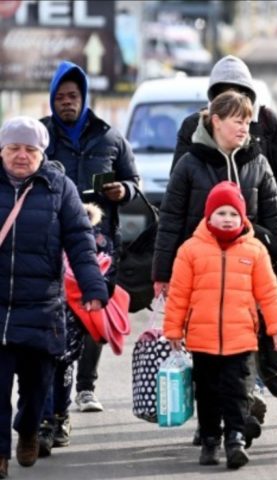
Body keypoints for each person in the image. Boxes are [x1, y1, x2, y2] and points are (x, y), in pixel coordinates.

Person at [152, 90, 277, 447]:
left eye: (247, 120)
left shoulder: (257, 160)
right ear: (216, 121)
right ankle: (212, 426)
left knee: (242, 353)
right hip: (200, 275)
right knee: (208, 360)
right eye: (237, 120)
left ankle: (237, 424)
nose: (245, 127)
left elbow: (275, 217)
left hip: (248, 270)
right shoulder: (190, 163)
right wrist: (162, 273)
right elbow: (170, 219)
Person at [0, 116, 108, 479]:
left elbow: (80, 240)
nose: (21, 156)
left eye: (29, 149)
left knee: (37, 386)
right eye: (14, 148)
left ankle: (28, 429)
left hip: (42, 307)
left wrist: (94, 287)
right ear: (2, 150)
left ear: (41, 153)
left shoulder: (59, 187)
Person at [163, 181, 277, 470]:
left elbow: (268, 292)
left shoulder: (255, 250)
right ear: (208, 216)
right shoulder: (190, 250)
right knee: (207, 392)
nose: (228, 219)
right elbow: (179, 293)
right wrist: (173, 330)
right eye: (221, 213)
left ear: (243, 217)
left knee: (238, 391)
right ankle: (209, 439)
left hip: (241, 337)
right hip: (202, 338)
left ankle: (235, 440)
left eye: (234, 213)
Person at [40, 61, 139, 415]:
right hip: (51, 241)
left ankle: (86, 387)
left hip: (99, 242)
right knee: (60, 316)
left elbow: (134, 183)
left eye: (73, 96)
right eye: (61, 97)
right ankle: (56, 402)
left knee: (94, 309)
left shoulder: (110, 137)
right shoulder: (41, 137)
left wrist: (122, 191)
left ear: (84, 99)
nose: (67, 102)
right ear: (52, 100)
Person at [171, 55, 277, 261]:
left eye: (239, 92)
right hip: (202, 241)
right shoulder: (194, 126)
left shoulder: (267, 123)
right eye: (224, 93)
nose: (232, 99)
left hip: (256, 241)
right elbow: (177, 192)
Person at [37, 203, 113, 457]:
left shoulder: (88, 235)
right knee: (44, 367)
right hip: (41, 310)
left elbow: (102, 264)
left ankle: (61, 415)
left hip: (73, 315)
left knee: (64, 368)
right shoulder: (37, 226)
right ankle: (45, 422)